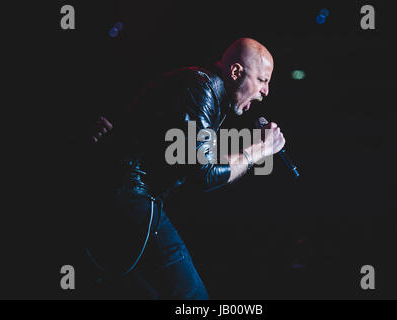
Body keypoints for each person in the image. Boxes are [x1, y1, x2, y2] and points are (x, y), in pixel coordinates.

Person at [83, 38, 285, 299]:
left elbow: (197, 159)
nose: (266, 91)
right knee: (192, 297)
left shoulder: (203, 88)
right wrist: (261, 150)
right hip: (131, 199)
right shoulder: (202, 88)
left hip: (124, 199)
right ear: (236, 72)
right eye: (262, 80)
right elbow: (205, 173)